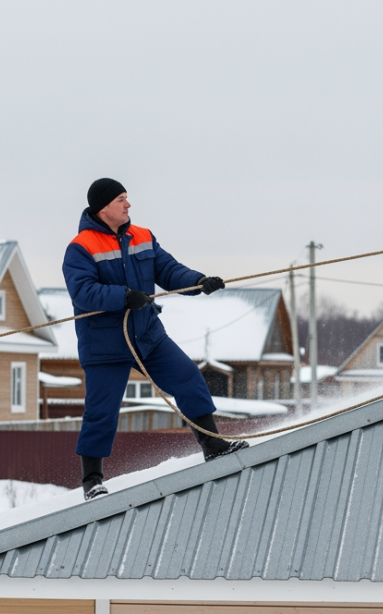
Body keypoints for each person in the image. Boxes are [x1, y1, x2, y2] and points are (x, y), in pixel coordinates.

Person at [64, 178, 248, 500]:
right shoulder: (80, 247)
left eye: (127, 198)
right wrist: (123, 297)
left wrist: (198, 282)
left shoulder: (143, 237)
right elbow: (83, 292)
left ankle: (213, 445)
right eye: (121, 199)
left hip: (148, 335)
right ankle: (92, 480)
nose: (128, 204)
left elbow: (168, 270)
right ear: (103, 207)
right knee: (101, 410)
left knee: (188, 378)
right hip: (105, 345)